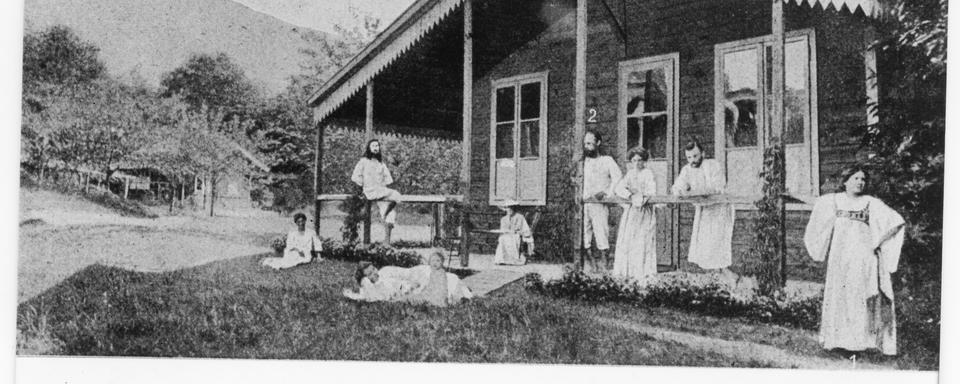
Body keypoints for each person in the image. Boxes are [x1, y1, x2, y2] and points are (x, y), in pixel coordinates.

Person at [803, 166, 905, 356]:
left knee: (860, 297)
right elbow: (817, 216)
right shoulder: (833, 201)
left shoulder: (871, 203)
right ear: (845, 181)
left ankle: (860, 343)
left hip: (863, 259)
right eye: (856, 178)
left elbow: (895, 222)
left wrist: (876, 242)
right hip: (840, 258)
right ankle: (838, 341)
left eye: (863, 179)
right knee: (840, 297)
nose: (860, 182)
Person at [670, 139, 735, 273]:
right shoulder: (687, 169)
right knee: (704, 246)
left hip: (719, 209)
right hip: (703, 209)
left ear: (703, 154)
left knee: (716, 244)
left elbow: (716, 188)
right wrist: (679, 191)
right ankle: (711, 277)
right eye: (689, 157)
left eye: (695, 156)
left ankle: (720, 274)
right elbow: (677, 187)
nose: (692, 160)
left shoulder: (712, 165)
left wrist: (691, 192)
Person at [343, 250, 473, 305]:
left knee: (443, 278)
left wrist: (412, 283)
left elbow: (405, 275)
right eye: (370, 274)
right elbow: (367, 293)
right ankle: (460, 293)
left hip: (416, 276)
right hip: (410, 286)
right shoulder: (374, 288)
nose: (375, 274)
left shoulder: (385, 272)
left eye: (373, 270)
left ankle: (461, 291)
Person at [578, 130, 622, 273]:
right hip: (583, 203)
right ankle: (589, 263)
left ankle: (604, 264)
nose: (587, 146)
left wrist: (607, 193)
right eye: (585, 143)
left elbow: (617, 178)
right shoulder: (582, 163)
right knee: (584, 234)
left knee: (601, 232)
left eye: (590, 143)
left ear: (598, 143)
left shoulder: (607, 160)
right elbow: (575, 178)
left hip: (599, 203)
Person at [612, 147, 658, 281]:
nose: (637, 163)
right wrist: (631, 194)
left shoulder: (648, 173)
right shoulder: (630, 174)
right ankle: (629, 271)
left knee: (642, 240)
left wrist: (639, 194)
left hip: (644, 211)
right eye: (634, 160)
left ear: (644, 161)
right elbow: (619, 188)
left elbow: (651, 191)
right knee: (628, 240)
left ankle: (643, 273)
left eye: (640, 160)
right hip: (631, 212)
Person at [351, 139, 402, 245]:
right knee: (395, 196)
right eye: (373, 146)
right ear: (369, 148)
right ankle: (385, 214)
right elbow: (356, 176)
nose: (375, 148)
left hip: (381, 191)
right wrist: (361, 188)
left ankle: (386, 241)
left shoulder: (380, 163)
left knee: (394, 204)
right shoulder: (363, 161)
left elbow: (388, 179)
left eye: (377, 146)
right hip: (370, 191)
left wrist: (384, 184)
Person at [493, 200, 534, 266]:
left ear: (514, 208)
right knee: (502, 238)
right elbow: (503, 229)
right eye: (507, 208)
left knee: (511, 238)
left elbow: (523, 228)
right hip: (507, 234)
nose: (509, 210)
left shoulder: (520, 217)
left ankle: (513, 259)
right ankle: (503, 259)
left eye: (511, 208)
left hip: (517, 234)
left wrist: (516, 231)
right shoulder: (504, 219)